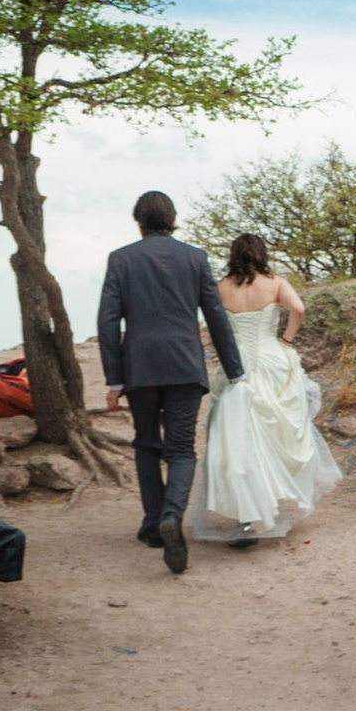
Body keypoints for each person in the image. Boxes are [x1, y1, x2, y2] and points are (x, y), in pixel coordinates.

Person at [97, 190, 244, 574]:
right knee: (180, 449)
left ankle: (153, 526)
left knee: (146, 443)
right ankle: (172, 515)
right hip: (184, 366)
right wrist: (235, 369)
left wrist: (114, 379)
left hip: (139, 369)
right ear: (174, 219)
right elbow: (215, 316)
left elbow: (108, 321)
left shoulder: (121, 259)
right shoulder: (195, 258)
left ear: (138, 222)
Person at [191, 233, 342, 550]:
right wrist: (286, 339)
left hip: (238, 365)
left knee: (240, 438)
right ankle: (270, 505)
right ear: (262, 254)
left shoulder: (222, 287)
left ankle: (248, 513)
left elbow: (213, 325)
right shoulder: (274, 283)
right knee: (277, 434)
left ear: (233, 255)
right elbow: (297, 308)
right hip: (272, 359)